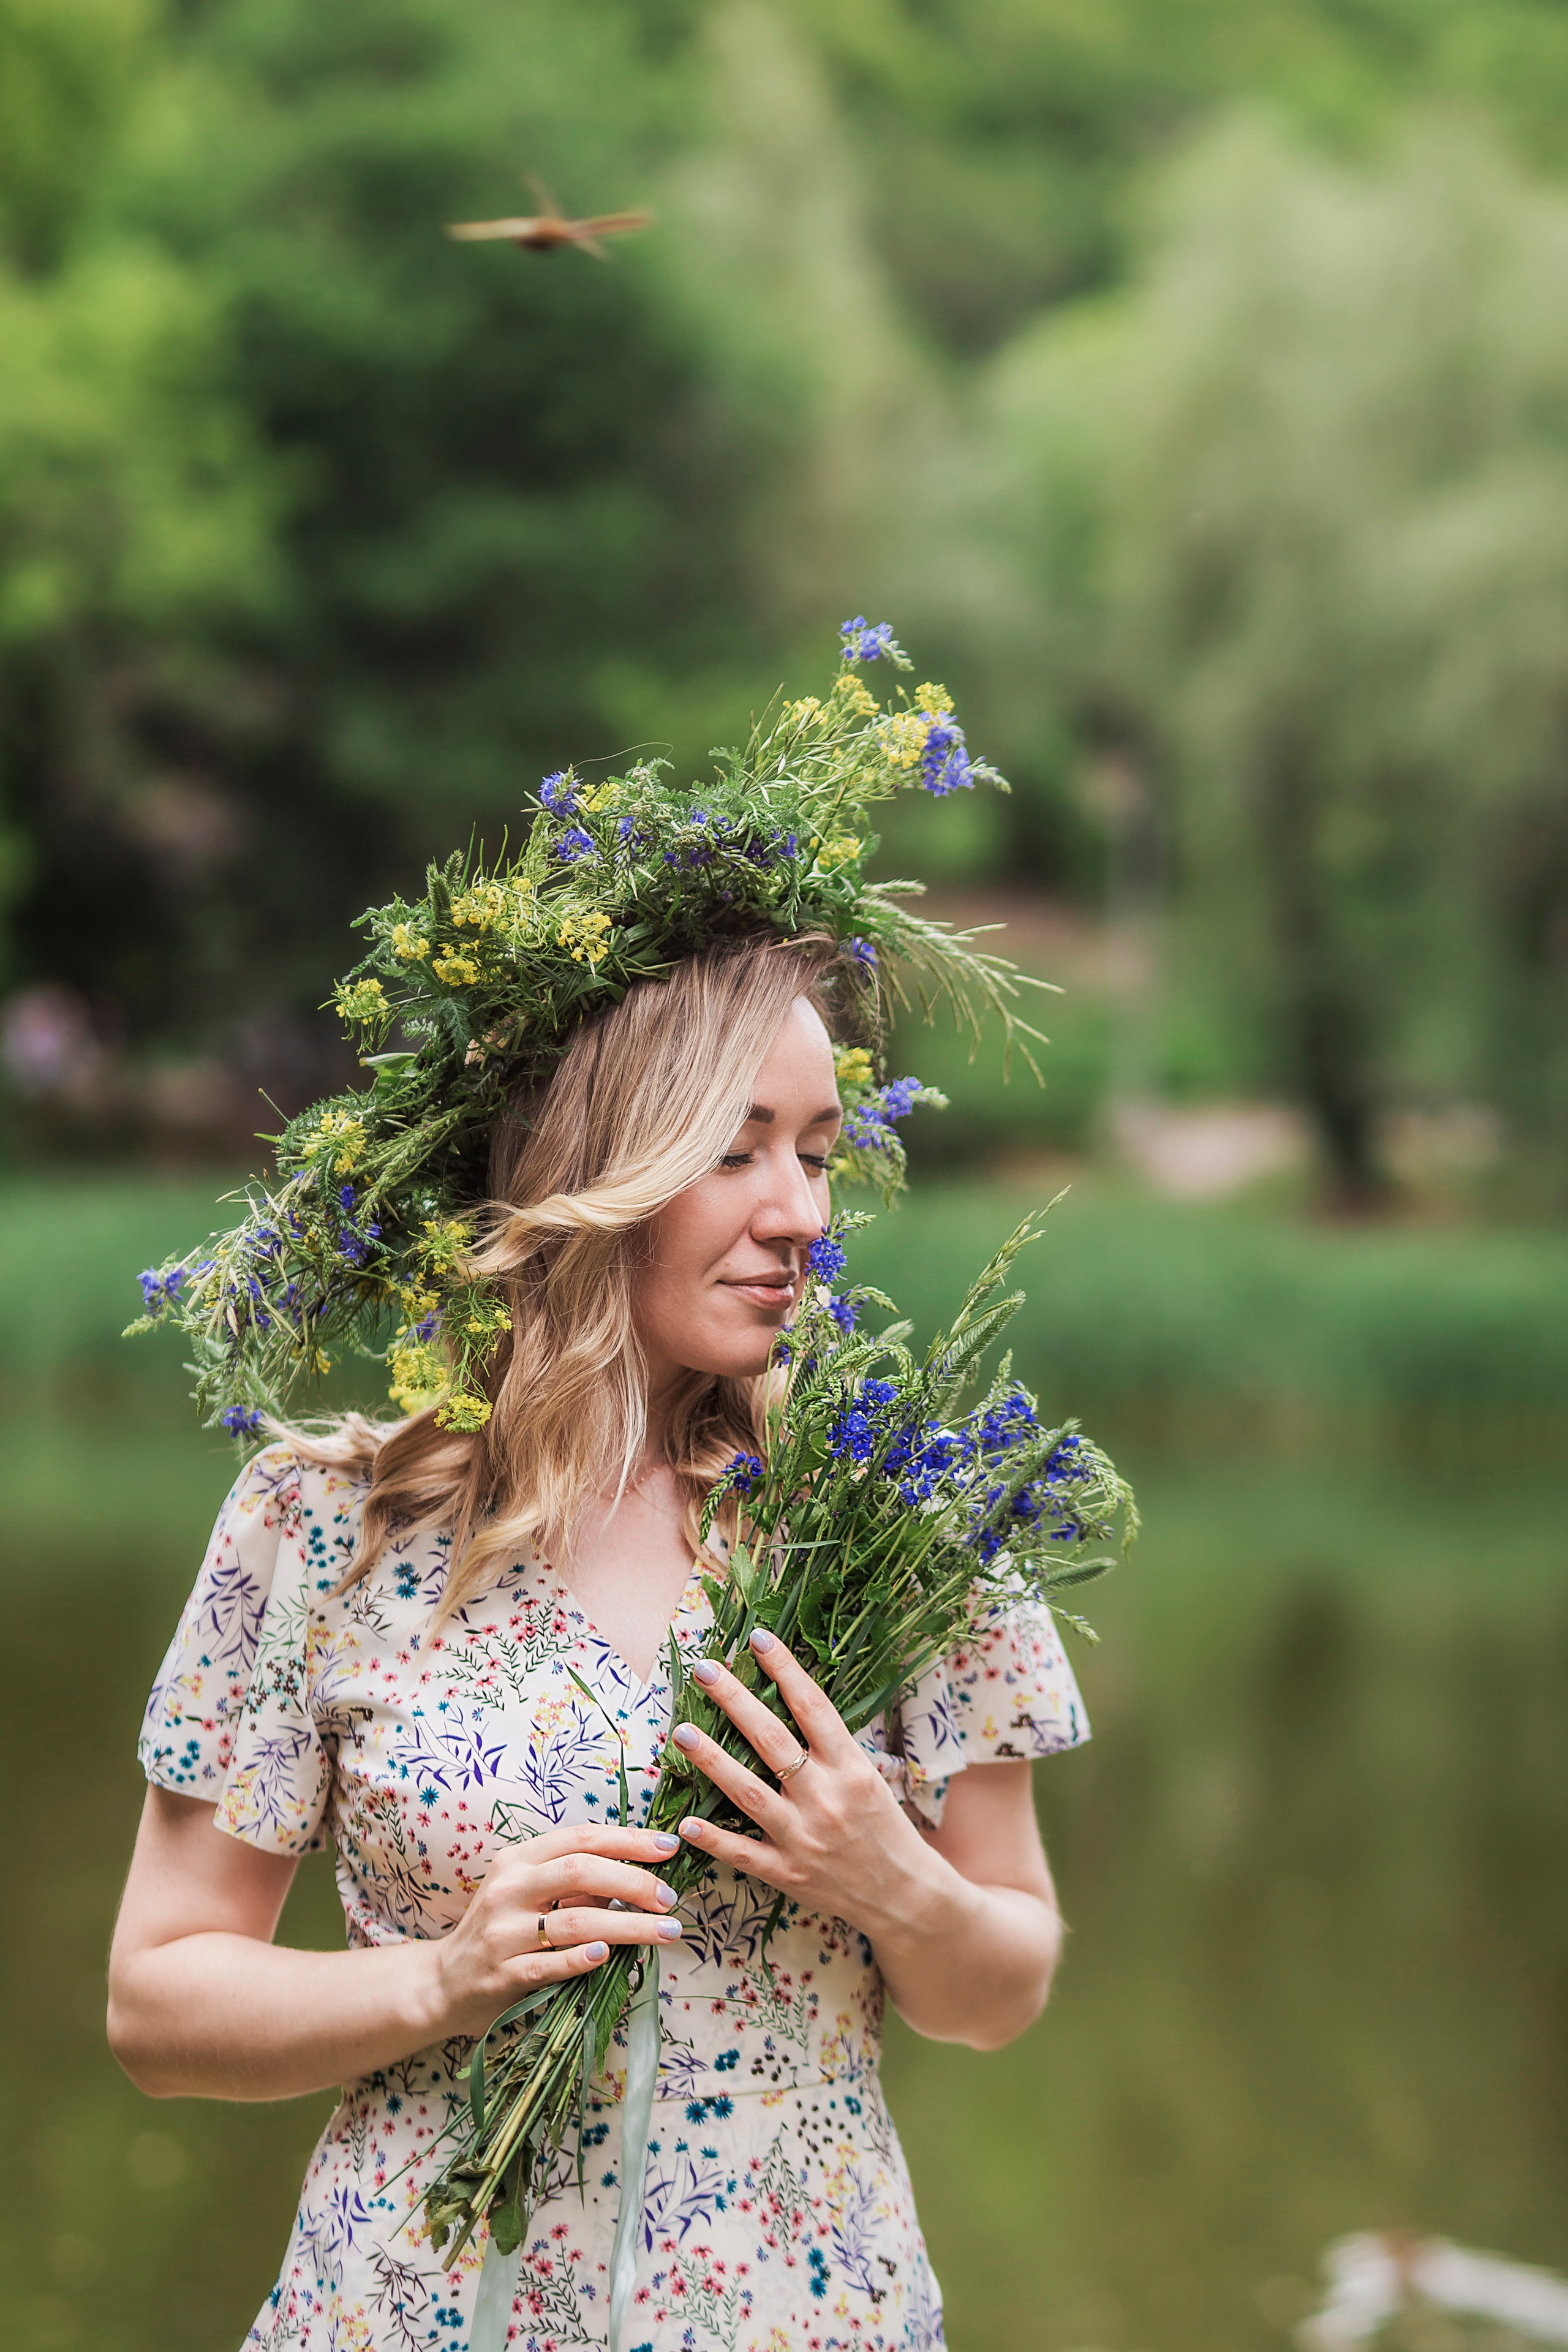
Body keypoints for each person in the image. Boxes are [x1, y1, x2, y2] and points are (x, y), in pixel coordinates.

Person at [108, 635, 1090, 2351]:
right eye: (737, 1146)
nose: (799, 1210)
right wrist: (437, 1979)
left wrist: (891, 1879)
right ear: (595, 1165)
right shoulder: (319, 1529)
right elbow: (157, 2001)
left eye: (818, 1147)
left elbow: (1003, 1982)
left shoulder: (895, 1525)